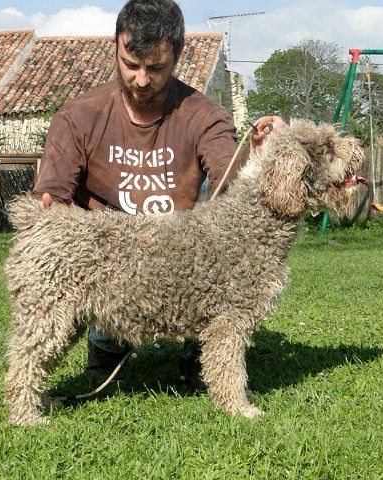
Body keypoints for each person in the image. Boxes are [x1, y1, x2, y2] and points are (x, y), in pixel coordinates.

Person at [33, 0, 282, 387]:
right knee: (102, 366)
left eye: (156, 68)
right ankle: (107, 344)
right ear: (116, 47)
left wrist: (262, 155)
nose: (142, 79)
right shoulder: (78, 116)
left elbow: (231, 186)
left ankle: (196, 356)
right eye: (131, 65)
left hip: (182, 268)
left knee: (206, 338)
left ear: (178, 56)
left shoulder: (205, 116)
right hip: (111, 269)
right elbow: (53, 202)